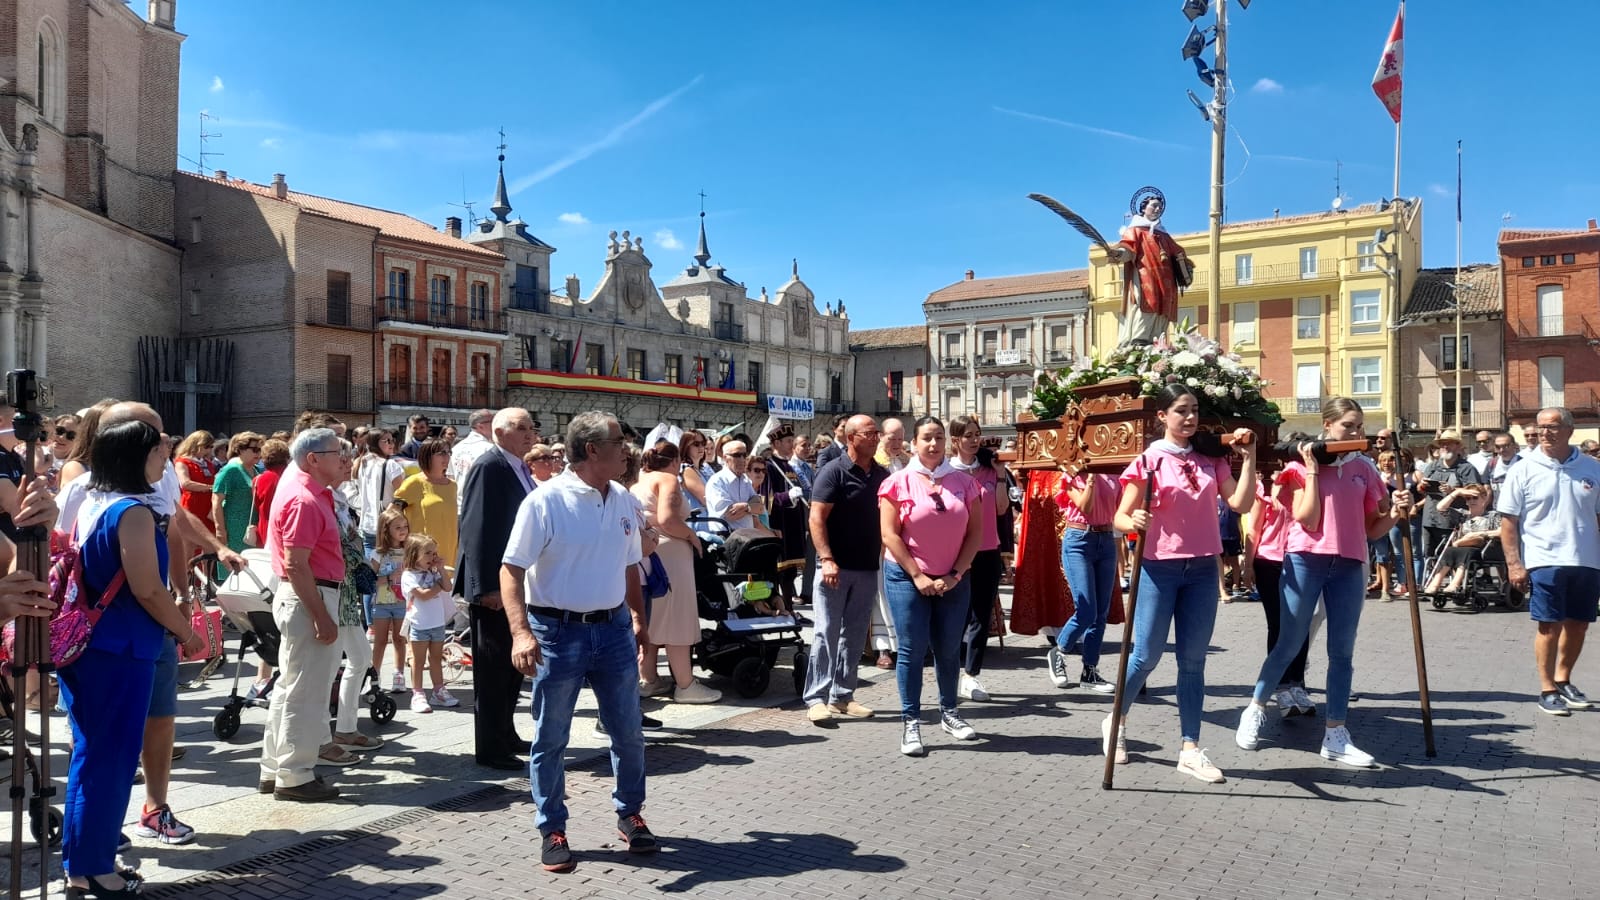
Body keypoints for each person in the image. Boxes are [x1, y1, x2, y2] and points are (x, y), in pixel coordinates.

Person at [502, 411, 657, 872]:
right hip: (556, 632)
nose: (627, 449)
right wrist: (520, 632)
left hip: (611, 630)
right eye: (619, 440)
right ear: (592, 450)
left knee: (629, 732)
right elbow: (510, 569)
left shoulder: (624, 498)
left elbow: (630, 562)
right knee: (551, 737)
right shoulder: (544, 501)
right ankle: (552, 826)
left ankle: (631, 814)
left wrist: (636, 617)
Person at [62, 420, 208, 897]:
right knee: (113, 759)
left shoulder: (95, 502)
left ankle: (83, 863)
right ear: (135, 456)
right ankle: (97, 868)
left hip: (93, 646)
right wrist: (186, 632)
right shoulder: (135, 512)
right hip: (121, 647)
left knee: (92, 755)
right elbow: (147, 588)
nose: (165, 452)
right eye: (157, 447)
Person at [1235, 397, 1412, 769]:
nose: (1355, 432)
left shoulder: (1364, 467)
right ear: (1328, 425)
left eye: (1359, 425)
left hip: (1349, 563)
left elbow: (1372, 528)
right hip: (1306, 560)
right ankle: (1255, 708)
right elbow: (1308, 519)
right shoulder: (1297, 467)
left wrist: (1396, 512)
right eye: (1348, 425)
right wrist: (1313, 469)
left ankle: (1336, 734)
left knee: (1342, 652)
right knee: (1289, 642)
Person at [1109, 384, 1255, 784]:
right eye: (1181, 411)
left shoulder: (1211, 459)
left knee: (1193, 661)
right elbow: (1120, 517)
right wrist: (1133, 522)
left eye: (1194, 410)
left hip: (1204, 568)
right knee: (1146, 656)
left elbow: (1241, 503)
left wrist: (1249, 458)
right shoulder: (1148, 460)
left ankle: (1190, 748)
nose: (1189, 418)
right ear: (1162, 416)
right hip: (1160, 567)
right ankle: (1116, 721)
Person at [878, 416, 984, 757]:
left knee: (949, 648)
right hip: (908, 578)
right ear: (914, 442)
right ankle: (911, 720)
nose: (934, 444)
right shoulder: (897, 482)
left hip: (953, 578)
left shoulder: (964, 484)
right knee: (911, 649)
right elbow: (890, 534)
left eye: (939, 437)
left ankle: (950, 712)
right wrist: (918, 575)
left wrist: (955, 574)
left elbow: (975, 534)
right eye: (927, 438)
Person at [258, 428, 350, 802]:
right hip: (310, 597)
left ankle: (276, 768)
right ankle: (295, 775)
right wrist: (321, 616)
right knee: (306, 693)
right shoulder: (304, 499)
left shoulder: (309, 494)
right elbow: (297, 566)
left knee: (290, 688)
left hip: (308, 596)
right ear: (313, 458)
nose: (343, 458)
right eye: (335, 452)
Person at [1498, 406, 1600, 716]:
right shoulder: (1523, 468)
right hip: (1544, 558)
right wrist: (1515, 564)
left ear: (1570, 430)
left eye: (1552, 426)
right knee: (1549, 625)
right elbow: (1509, 522)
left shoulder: (1592, 468)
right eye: (1541, 427)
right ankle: (1546, 688)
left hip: (1586, 559)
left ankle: (1563, 679)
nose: (1545, 432)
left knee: (1579, 624)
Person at [455, 407, 539, 771]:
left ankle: (506, 732)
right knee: (492, 669)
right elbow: (477, 529)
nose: (529, 434)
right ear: (499, 432)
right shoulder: (490, 466)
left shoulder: (518, 467)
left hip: (515, 584)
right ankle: (490, 747)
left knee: (511, 667)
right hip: (493, 588)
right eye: (520, 428)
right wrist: (485, 586)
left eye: (531, 428)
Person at [804, 415, 887, 725]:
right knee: (826, 632)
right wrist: (826, 559)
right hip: (834, 569)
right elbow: (816, 519)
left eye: (877, 433)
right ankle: (816, 698)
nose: (876, 438)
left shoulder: (881, 474)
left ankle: (842, 696)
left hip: (866, 567)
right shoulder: (833, 472)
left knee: (853, 634)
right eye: (869, 433)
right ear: (852, 437)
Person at [631, 440, 720, 704]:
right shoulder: (668, 480)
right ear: (674, 461)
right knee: (678, 618)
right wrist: (692, 535)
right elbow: (669, 519)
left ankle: (648, 679)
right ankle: (685, 683)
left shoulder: (639, 482)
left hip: (648, 554)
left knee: (653, 618)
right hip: (670, 553)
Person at [328, 439, 384, 759]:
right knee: (331, 665)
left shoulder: (339, 497)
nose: (350, 463)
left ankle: (346, 728)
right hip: (334, 591)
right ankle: (325, 738)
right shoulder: (325, 498)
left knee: (361, 659)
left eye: (350, 457)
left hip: (347, 592)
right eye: (344, 457)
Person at [1243, 469, 1315, 715]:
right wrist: (1248, 565)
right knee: (1278, 624)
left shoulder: (1309, 487)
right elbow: (1253, 529)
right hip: (1269, 561)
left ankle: (1297, 683)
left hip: (1300, 559)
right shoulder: (1264, 489)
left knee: (1302, 623)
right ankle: (1280, 686)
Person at [1046, 467, 1121, 693]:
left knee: (1100, 613)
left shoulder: (1115, 474)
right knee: (1086, 608)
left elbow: (1121, 508)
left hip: (1106, 539)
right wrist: (1091, 479)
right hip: (1079, 540)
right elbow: (1085, 507)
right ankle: (1059, 651)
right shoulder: (1071, 475)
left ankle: (1090, 671)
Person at [947, 415, 1006, 703]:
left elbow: (1002, 507)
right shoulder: (947, 472)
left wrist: (1001, 475)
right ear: (955, 439)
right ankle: (949, 670)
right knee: (955, 613)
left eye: (977, 434)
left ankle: (971, 674)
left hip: (987, 548)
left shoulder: (988, 469)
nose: (974, 440)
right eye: (968, 435)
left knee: (981, 614)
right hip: (956, 550)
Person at [1107, 187, 1192, 348]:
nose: (1157, 209)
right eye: (1154, 206)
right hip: (1145, 274)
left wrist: (1183, 264)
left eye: (1160, 207)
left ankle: (1156, 340)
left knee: (1163, 306)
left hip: (1166, 279)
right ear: (1143, 208)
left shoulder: (1164, 235)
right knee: (1147, 303)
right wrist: (1118, 253)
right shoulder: (1136, 230)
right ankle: (1139, 339)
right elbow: (1128, 249)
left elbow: (1177, 252)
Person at [401, 534, 458, 713]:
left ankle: (438, 690)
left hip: (437, 623)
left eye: (434, 553)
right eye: (427, 553)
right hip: (419, 625)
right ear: (414, 554)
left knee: (436, 658)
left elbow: (448, 587)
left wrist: (441, 570)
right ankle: (417, 693)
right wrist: (438, 587)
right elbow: (424, 595)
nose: (432, 557)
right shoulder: (409, 575)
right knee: (418, 661)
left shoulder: (433, 572)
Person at [1418, 429, 1481, 567]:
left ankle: (1452, 583)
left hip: (1451, 520)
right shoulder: (1432, 466)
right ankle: (1430, 582)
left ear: (1458, 446)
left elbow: (1477, 492)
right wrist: (1422, 485)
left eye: (1449, 443)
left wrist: (1454, 491)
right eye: (1442, 444)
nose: (1445, 447)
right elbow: (1420, 490)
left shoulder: (1466, 468)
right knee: (1428, 554)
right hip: (1429, 518)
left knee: (1450, 555)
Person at [393, 439, 458, 571]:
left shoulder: (452, 485)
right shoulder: (414, 482)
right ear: (427, 456)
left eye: (448, 452)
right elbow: (391, 514)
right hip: (422, 555)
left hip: (449, 552)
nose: (447, 456)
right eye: (441, 453)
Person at [1422, 485, 1497, 594]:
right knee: (1449, 550)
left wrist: (1480, 534)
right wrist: (1457, 493)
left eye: (1475, 497)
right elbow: (1440, 507)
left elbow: (1501, 531)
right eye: (1468, 498)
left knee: (1466, 550)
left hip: (1485, 549)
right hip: (1462, 549)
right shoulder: (1462, 514)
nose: (1471, 500)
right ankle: (1434, 584)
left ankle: (1455, 584)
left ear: (1484, 498)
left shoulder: (1493, 516)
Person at [367, 507, 411, 692]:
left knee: (400, 639)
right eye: (397, 527)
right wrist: (389, 578)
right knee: (381, 641)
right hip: (382, 604)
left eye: (405, 526)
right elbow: (369, 580)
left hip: (402, 603)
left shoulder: (410, 550)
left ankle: (398, 674)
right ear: (386, 530)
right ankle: (374, 676)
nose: (403, 530)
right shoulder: (378, 554)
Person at [212, 432, 263, 556]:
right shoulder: (230, 470)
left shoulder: (257, 470)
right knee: (234, 569)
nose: (258, 453)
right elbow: (216, 501)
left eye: (260, 449)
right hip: (233, 529)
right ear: (240, 450)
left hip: (251, 528)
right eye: (254, 449)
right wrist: (220, 530)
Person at [356, 429, 405, 555]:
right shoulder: (390, 465)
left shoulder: (363, 463)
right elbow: (402, 495)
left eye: (392, 440)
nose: (391, 443)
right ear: (375, 443)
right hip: (386, 525)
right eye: (387, 441)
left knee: (372, 567)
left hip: (367, 524)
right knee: (390, 569)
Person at [704, 440, 761, 531]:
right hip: (726, 539)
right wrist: (750, 506)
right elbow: (731, 514)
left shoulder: (745, 480)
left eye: (744, 455)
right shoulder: (717, 482)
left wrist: (745, 507)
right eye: (737, 455)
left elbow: (760, 507)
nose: (742, 459)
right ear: (725, 458)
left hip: (748, 537)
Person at [447, 409, 497, 512]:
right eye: (492, 421)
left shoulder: (456, 449)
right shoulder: (489, 449)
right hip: (480, 506)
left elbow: (450, 478)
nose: (495, 425)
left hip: (458, 507)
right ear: (480, 426)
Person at [173, 430, 220, 535]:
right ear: (195, 444)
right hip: (192, 503)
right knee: (192, 538)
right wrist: (210, 487)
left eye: (211, 446)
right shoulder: (182, 462)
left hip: (208, 505)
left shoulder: (208, 463)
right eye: (206, 446)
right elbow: (185, 483)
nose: (209, 450)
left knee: (209, 537)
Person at [676, 431, 713, 515]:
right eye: (696, 444)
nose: (701, 447)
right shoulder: (686, 470)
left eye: (703, 443)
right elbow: (706, 499)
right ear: (686, 447)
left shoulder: (703, 470)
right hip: (698, 521)